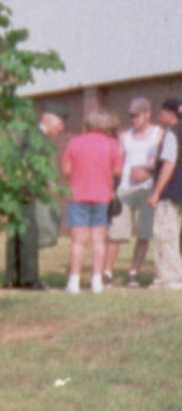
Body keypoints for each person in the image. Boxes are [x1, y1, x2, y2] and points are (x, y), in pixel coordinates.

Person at [60, 110, 123, 293]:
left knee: (78, 241)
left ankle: (74, 281)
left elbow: (66, 171)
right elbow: (118, 171)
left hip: (78, 194)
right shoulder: (112, 144)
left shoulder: (75, 142)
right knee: (99, 240)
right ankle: (97, 281)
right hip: (102, 195)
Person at [4, 105, 65, 289]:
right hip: (26, 190)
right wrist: (32, 187)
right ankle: (29, 279)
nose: (61, 128)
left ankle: (12, 277)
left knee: (15, 233)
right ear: (49, 120)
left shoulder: (28, 134)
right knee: (28, 234)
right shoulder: (38, 138)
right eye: (60, 123)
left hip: (15, 188)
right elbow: (31, 164)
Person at [108, 96, 165, 284]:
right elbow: (118, 161)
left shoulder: (158, 133)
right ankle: (107, 272)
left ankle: (134, 272)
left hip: (146, 189)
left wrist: (147, 171)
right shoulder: (125, 136)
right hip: (125, 188)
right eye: (131, 115)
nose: (134, 119)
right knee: (115, 232)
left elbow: (163, 162)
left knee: (143, 232)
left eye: (137, 115)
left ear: (147, 114)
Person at [150, 98, 182, 289]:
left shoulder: (172, 133)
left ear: (171, 114)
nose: (160, 117)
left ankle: (170, 277)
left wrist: (156, 192)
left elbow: (169, 163)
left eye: (162, 113)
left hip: (171, 192)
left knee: (165, 234)